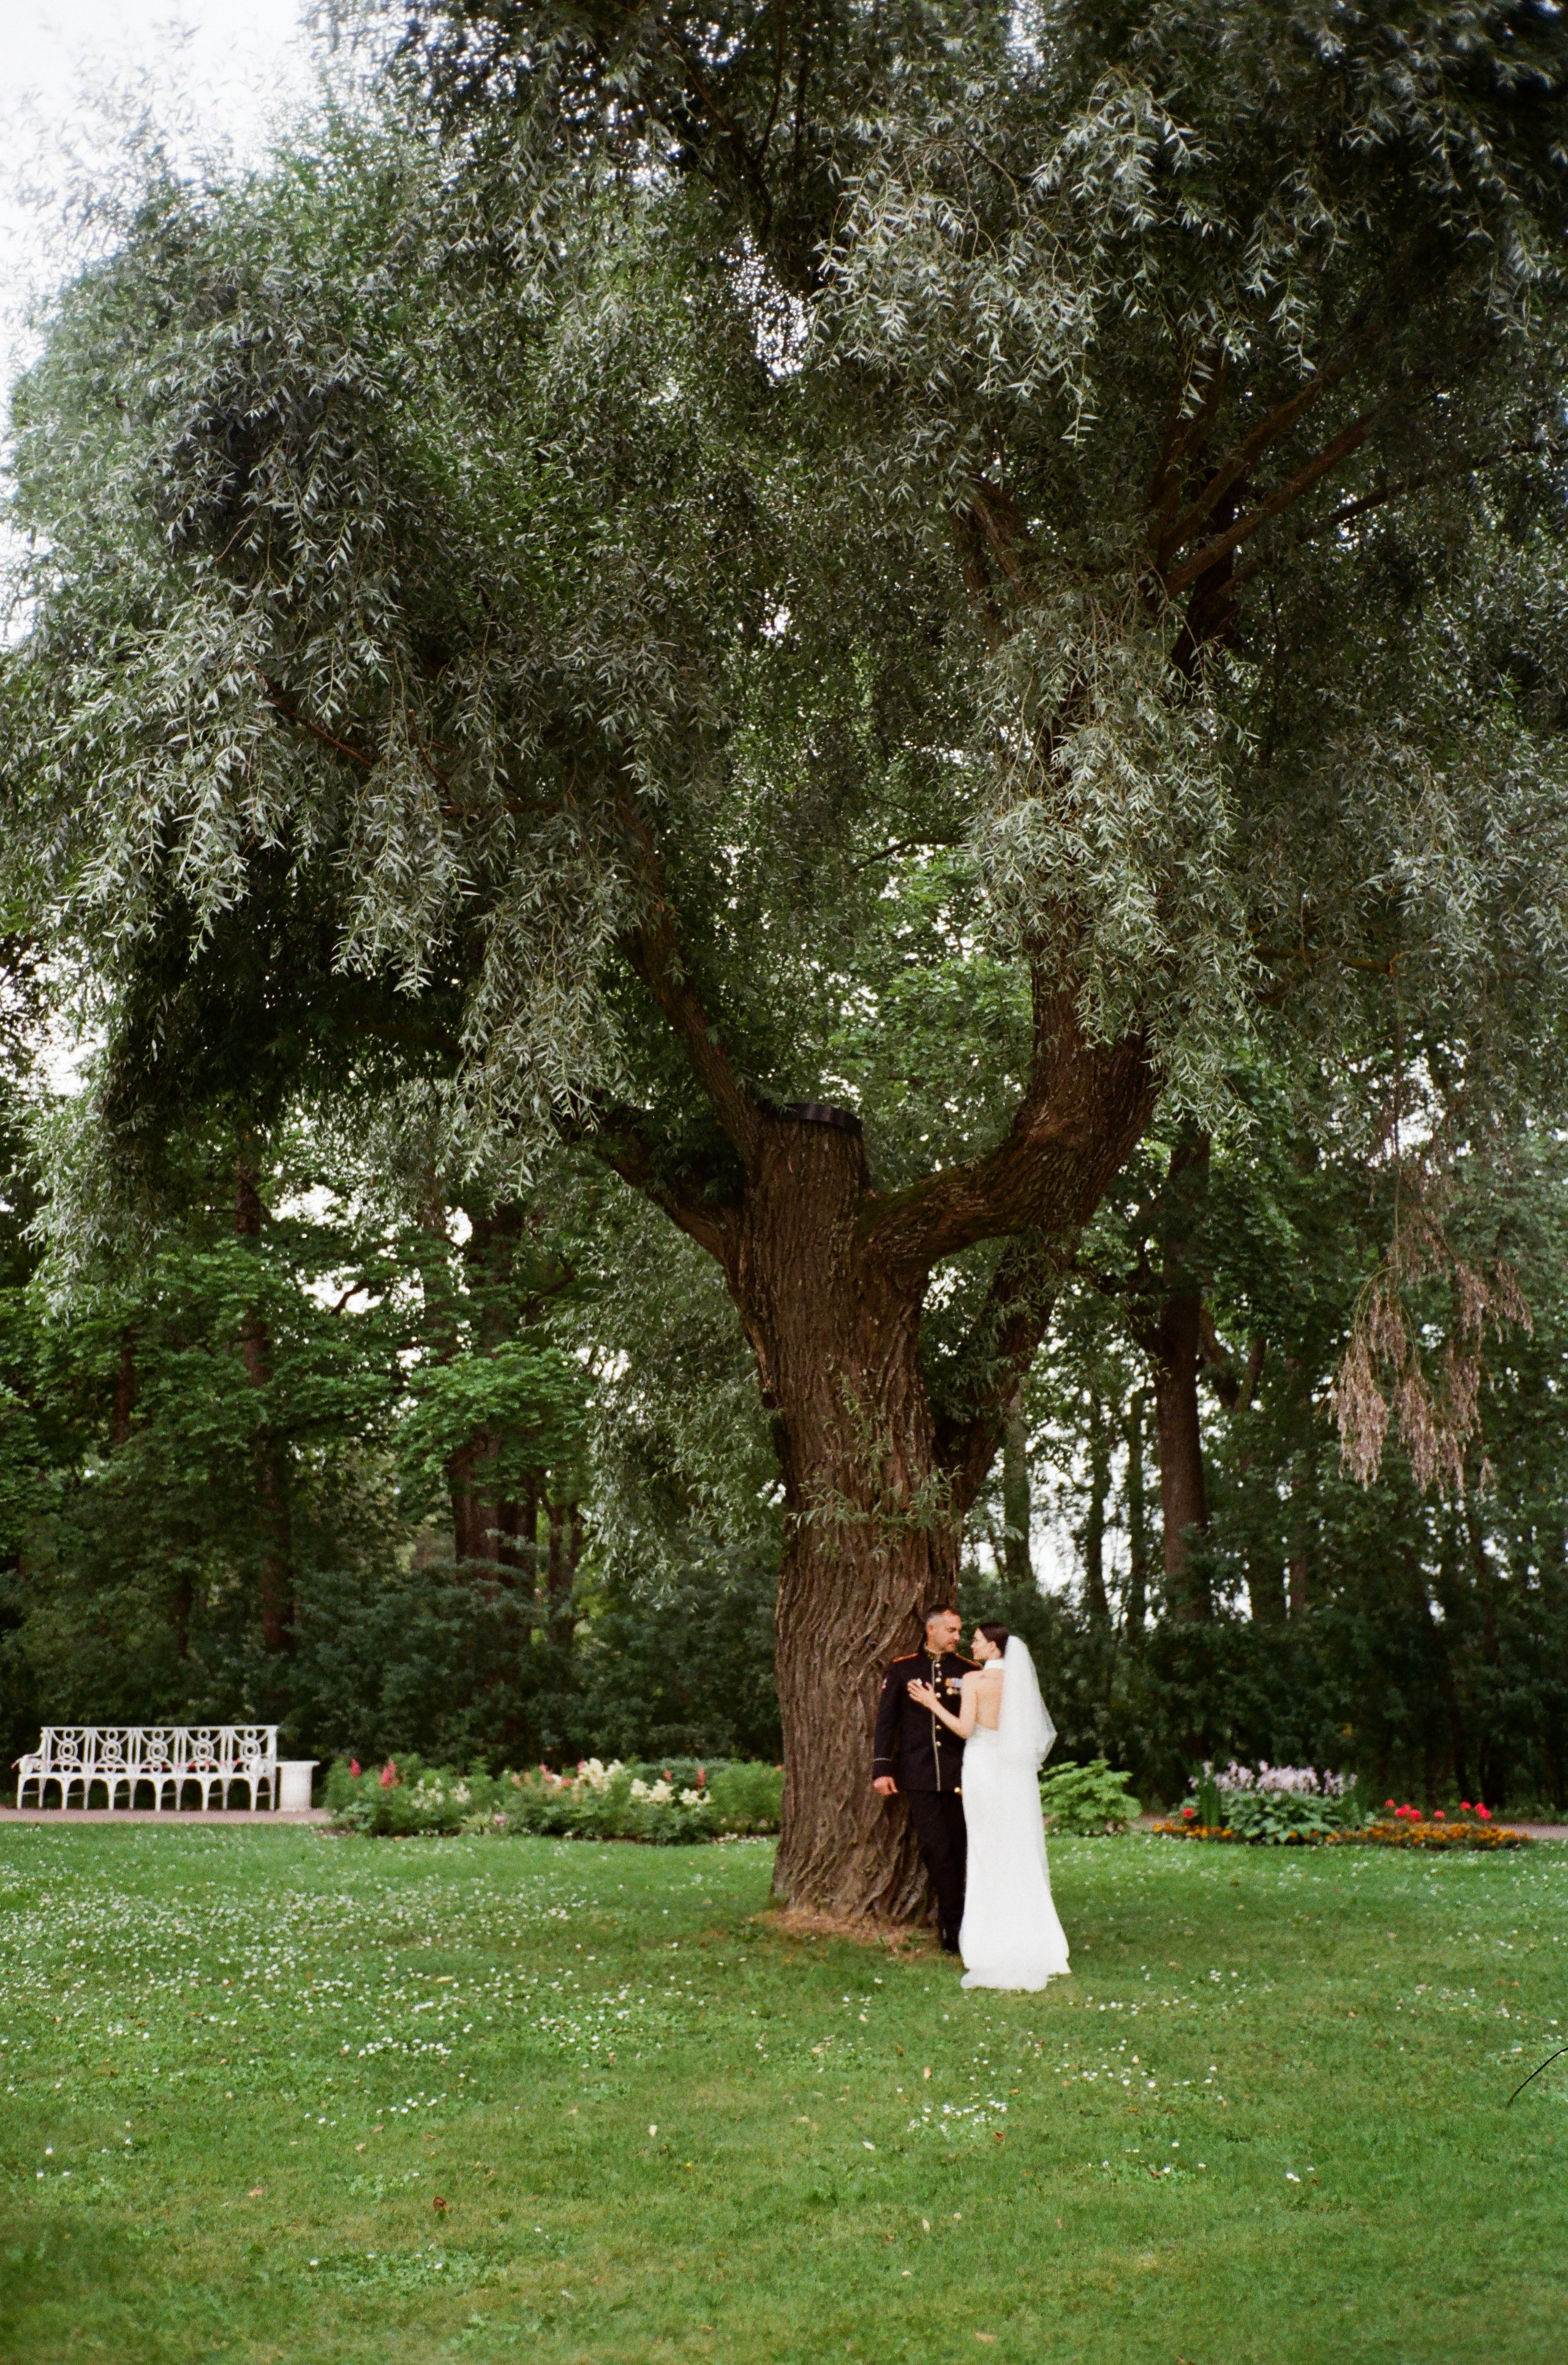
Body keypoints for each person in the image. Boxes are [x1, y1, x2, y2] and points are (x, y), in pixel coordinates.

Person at [907, 1622, 1070, 1991]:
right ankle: (1038, 1941)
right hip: (1013, 1773)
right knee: (1017, 1849)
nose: (972, 1645)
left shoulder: (975, 1680)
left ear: (995, 1648)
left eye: (978, 1640)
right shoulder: (1019, 1683)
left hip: (982, 1767)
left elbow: (965, 1730)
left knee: (983, 1850)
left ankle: (988, 1942)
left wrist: (932, 1703)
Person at [872, 1604, 974, 1952]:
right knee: (935, 1850)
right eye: (951, 1631)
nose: (957, 1637)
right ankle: (952, 1927)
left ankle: (965, 1927)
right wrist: (882, 1768)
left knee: (962, 1851)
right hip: (921, 1775)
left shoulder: (970, 1671)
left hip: (964, 1775)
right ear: (931, 1630)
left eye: (960, 1631)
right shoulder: (903, 1669)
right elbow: (886, 1724)